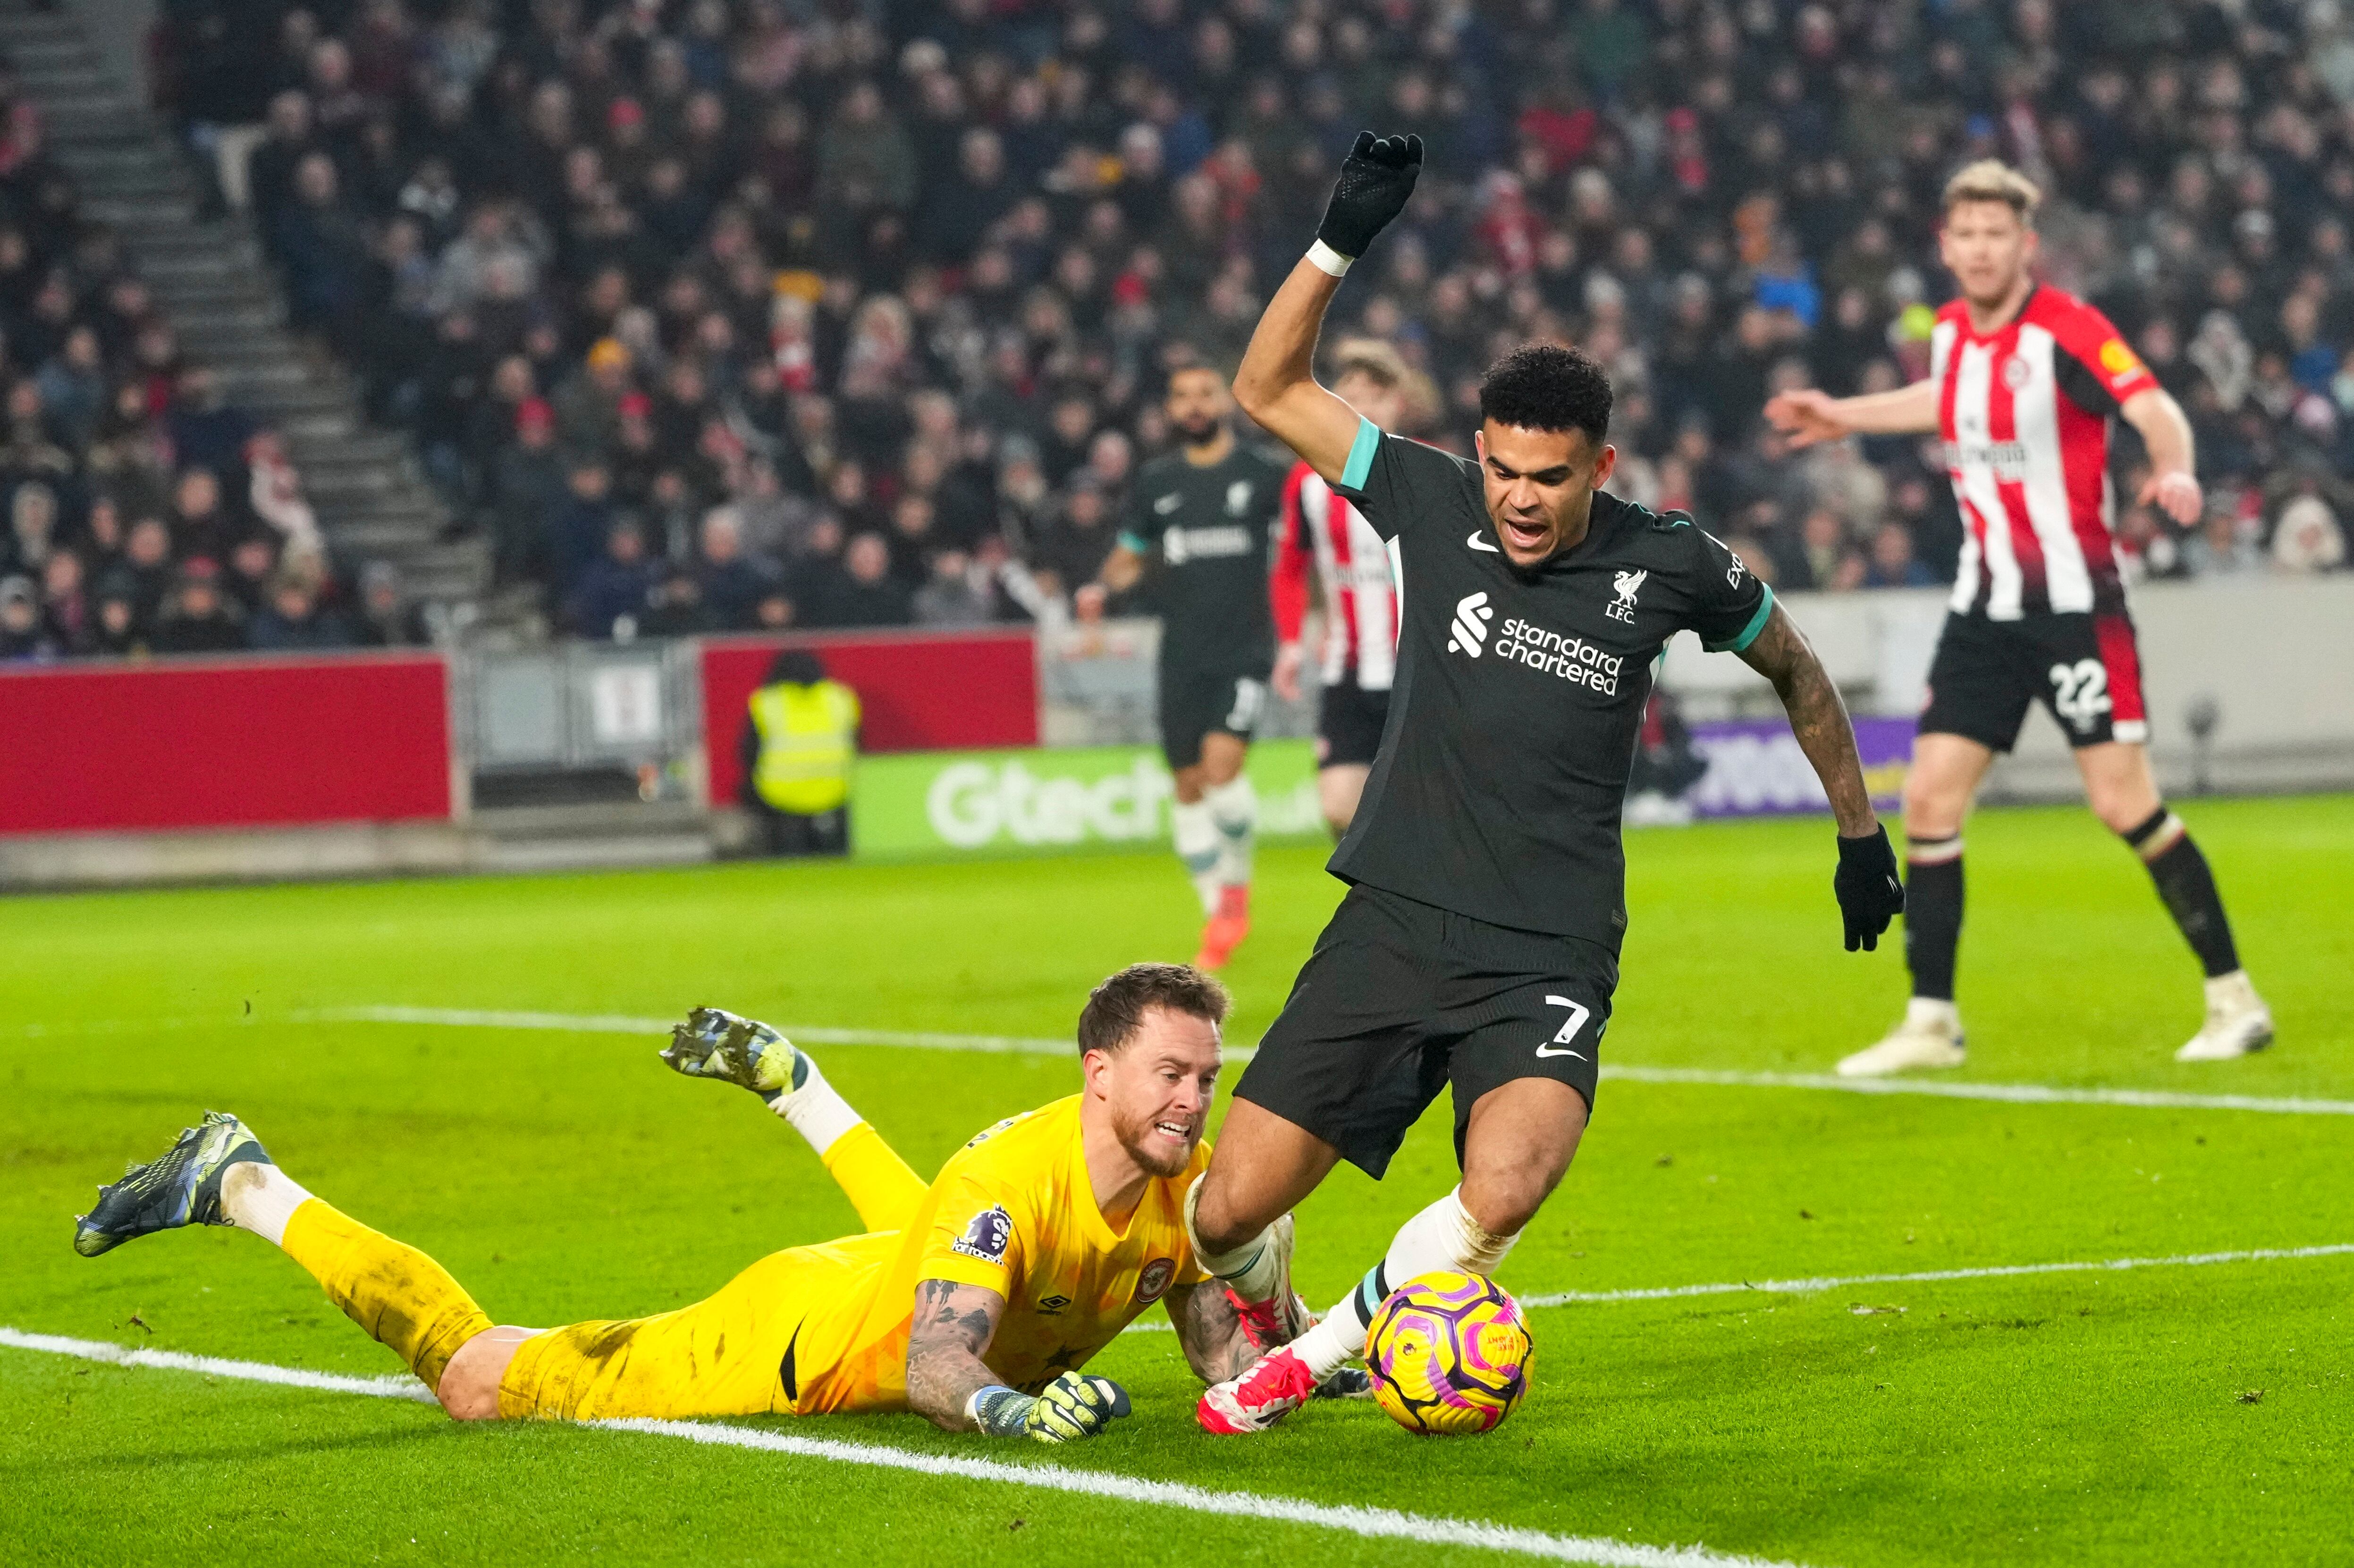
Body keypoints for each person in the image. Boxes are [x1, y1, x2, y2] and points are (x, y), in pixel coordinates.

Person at [1178, 132, 1903, 1434]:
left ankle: (1305, 1361)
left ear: (1600, 469)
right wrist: (1339, 237)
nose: (1517, 500)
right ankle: (1279, 1306)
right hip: (1396, 918)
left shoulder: (1671, 563)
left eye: (1549, 478)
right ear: (1479, 451)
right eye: (1503, 470)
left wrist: (1858, 831)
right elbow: (1265, 385)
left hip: (1548, 947)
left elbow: (1796, 667)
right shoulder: (1425, 496)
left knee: (1505, 1186)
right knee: (1224, 1213)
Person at [72, 971, 1337, 1436]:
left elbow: (1223, 1361)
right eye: (1170, 1074)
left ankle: (794, 1081)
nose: (1192, 1100)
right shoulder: (1007, 1184)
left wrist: (1326, 1358)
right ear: (1099, 1072)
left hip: (900, 1266)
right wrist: (1013, 1410)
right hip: (787, 1339)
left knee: (936, 1244)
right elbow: (935, 1362)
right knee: (478, 1379)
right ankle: (245, 1182)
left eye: (1204, 1077)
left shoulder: (1182, 1188)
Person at [1765, 161, 2271, 1071]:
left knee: (2121, 801)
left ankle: (2233, 997)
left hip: (2074, 607)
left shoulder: (2068, 329)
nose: (1980, 249)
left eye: (1996, 234)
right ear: (1945, 245)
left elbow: (2150, 404)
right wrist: (1845, 415)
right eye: (1966, 234)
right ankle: (1930, 1020)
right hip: (1983, 610)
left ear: (2025, 244)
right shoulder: (1952, 332)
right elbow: (1944, 400)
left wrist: (2176, 466)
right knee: (1929, 798)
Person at [1081, 364, 1288, 970]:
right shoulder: (1157, 482)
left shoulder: (1263, 474)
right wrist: (1103, 587)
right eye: (1181, 397)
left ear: (1224, 400)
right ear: (1171, 410)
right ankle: (1217, 914)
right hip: (1181, 654)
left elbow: (1296, 550)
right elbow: (1128, 555)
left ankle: (1235, 893)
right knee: (1189, 784)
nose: (1194, 405)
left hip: (1246, 650)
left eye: (1204, 394)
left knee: (1223, 769)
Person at [1270, 338, 1413, 837]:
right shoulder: (1307, 481)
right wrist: (1292, 643)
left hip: (1416, 670)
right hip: (1346, 669)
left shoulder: (1427, 472)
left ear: (1397, 403)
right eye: (1352, 396)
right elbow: (1289, 568)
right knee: (1338, 810)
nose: (1364, 407)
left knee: (1420, 809)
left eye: (1376, 395)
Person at [739, 648, 860, 856]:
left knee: (787, 854)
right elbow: (857, 744)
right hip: (834, 790)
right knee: (834, 855)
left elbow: (748, 751)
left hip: (780, 794)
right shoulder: (840, 698)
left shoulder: (768, 702)